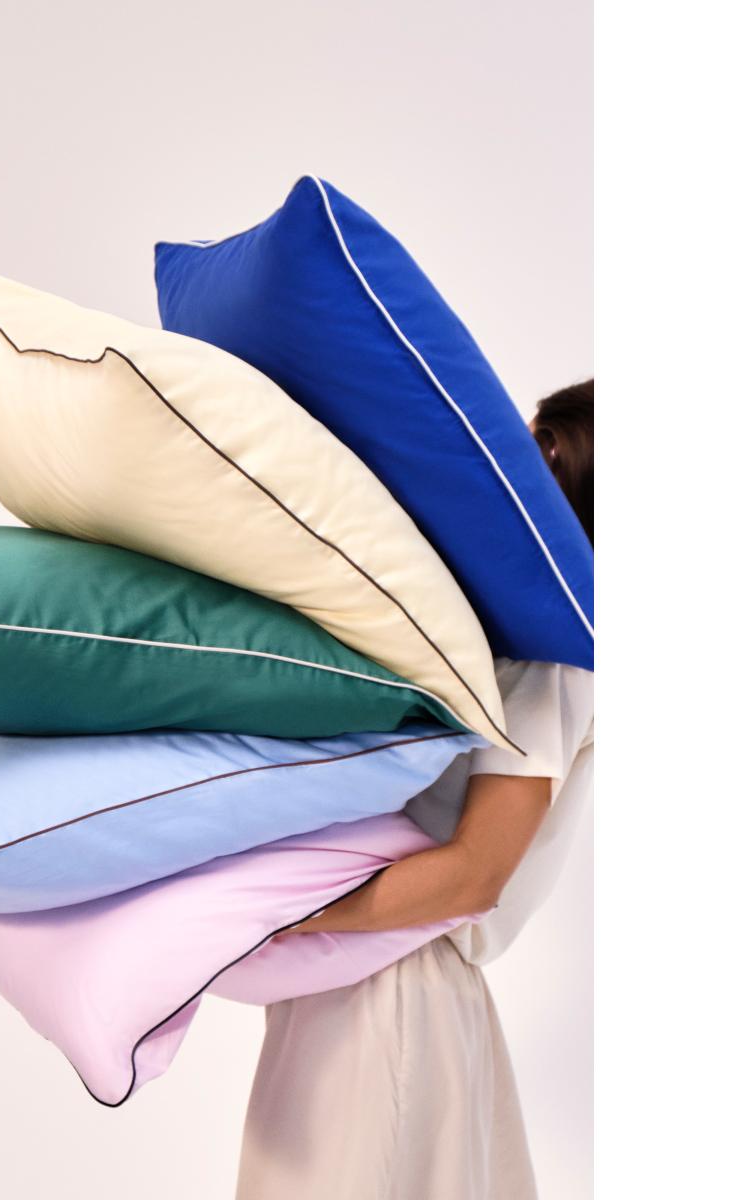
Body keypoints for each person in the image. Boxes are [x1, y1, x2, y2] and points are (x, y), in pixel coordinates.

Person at [235, 380, 595, 1200]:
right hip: (366, 981)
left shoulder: (556, 660)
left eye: (540, 450)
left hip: (396, 988)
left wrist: (272, 912)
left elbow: (475, 874)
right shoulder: (492, 638)